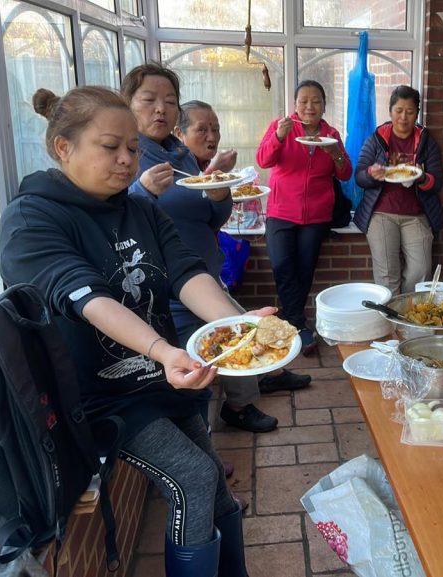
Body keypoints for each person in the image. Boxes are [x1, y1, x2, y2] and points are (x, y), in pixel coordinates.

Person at [0, 85, 254, 576]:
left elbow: (186, 271)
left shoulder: (139, 208)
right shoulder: (31, 218)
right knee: (194, 479)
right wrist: (163, 351)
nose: (126, 160)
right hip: (97, 396)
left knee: (214, 486)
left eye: (133, 148)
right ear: (63, 147)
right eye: (110, 147)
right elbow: (88, 298)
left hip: (158, 377)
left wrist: (237, 326)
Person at [123, 64, 308, 435]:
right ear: (127, 104)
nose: (160, 108)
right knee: (198, 368)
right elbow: (117, 222)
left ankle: (241, 402)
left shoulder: (179, 153)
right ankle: (209, 438)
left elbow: (210, 217)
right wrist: (142, 190)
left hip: (203, 273)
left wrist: (220, 187)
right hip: (169, 290)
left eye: (169, 101)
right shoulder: (129, 156)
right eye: (149, 99)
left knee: (235, 335)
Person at [256, 79, 353, 354]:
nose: (309, 106)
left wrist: (335, 152)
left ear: (324, 106)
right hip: (281, 211)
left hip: (317, 214)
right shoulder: (281, 127)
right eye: (304, 101)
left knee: (304, 269)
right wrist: (278, 137)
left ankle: (292, 324)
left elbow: (345, 173)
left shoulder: (331, 134)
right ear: (295, 105)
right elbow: (263, 160)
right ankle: (298, 324)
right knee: (282, 266)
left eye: (316, 101)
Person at [354, 85, 443, 295]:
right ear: (390, 111)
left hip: (416, 215)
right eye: (399, 110)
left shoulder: (426, 141)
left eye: (410, 111)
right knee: (387, 275)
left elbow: (436, 182)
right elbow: (359, 176)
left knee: (421, 270)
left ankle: (407, 312)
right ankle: (390, 316)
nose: (403, 117)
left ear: (417, 114)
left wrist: (421, 177)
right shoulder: (377, 139)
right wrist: (372, 173)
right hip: (381, 213)